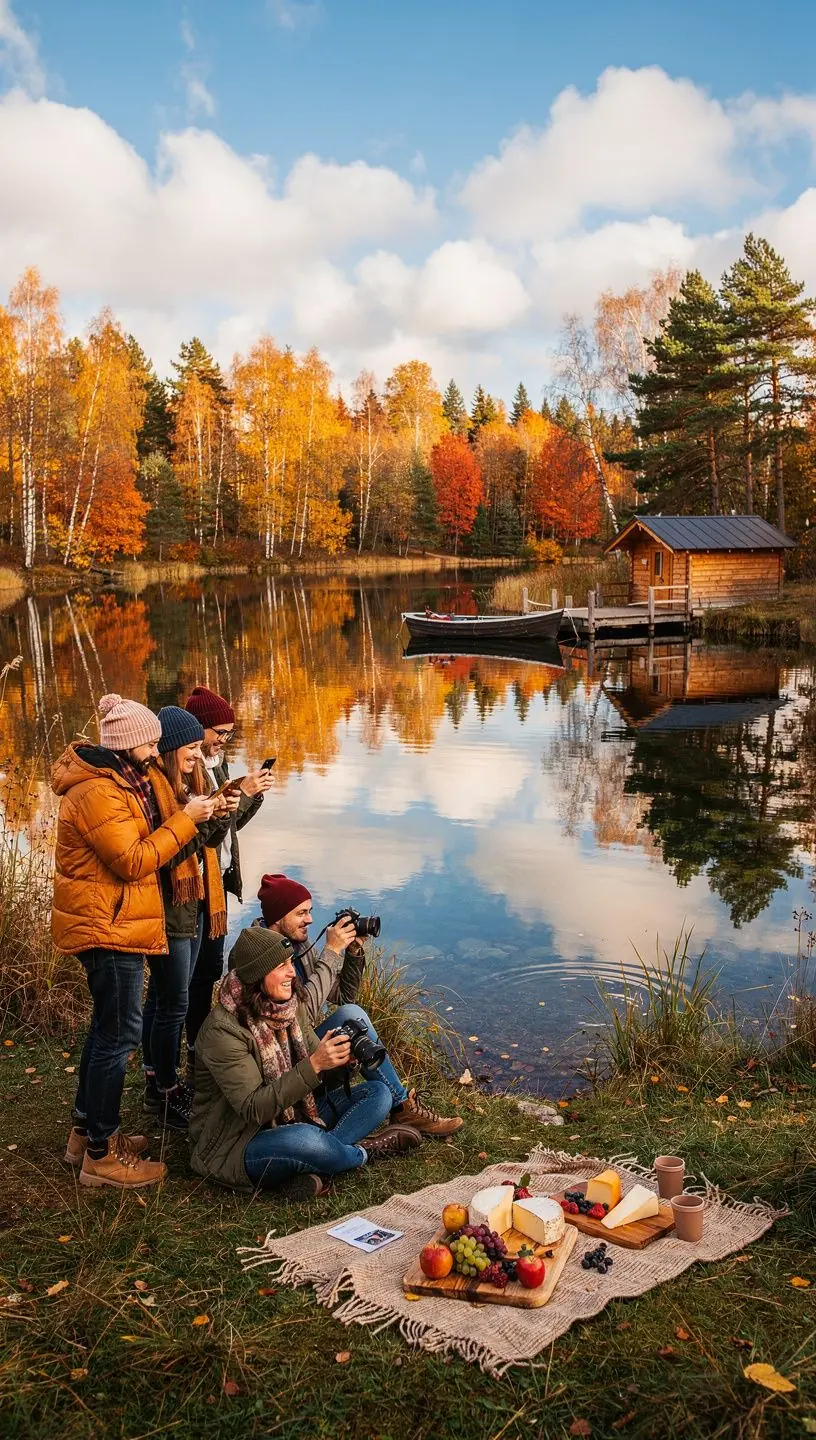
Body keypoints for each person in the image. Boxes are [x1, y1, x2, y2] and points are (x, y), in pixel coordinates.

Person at [51, 693, 216, 1190]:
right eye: (150, 741)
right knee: (118, 1036)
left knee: (106, 1031)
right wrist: (186, 820)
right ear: (129, 743)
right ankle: (101, 1156)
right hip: (108, 925)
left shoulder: (118, 780)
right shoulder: (99, 791)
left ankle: (85, 1135)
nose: (155, 749)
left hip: (114, 920)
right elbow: (133, 860)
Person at [189, 927, 422, 1197]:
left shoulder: (289, 1005)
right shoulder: (223, 1031)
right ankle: (360, 1152)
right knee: (305, 1139)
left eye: (291, 963)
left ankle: (311, 1162)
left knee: (379, 1094)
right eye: (281, 966)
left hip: (294, 1113)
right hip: (239, 1140)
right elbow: (254, 1109)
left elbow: (317, 1079)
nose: (292, 973)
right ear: (256, 976)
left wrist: (343, 1063)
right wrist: (314, 1065)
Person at [256, 874, 464, 1139]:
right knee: (351, 1015)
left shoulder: (298, 944)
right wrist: (331, 952)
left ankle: (398, 1106)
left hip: (302, 1042)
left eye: (310, 911)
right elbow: (299, 1014)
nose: (310, 920)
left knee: (352, 1019)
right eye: (301, 913)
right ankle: (400, 1109)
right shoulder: (258, 954)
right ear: (278, 916)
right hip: (281, 1058)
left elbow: (343, 996)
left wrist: (352, 953)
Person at [141, 706, 238, 1132]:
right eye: (192, 747)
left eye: (200, 747)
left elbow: (203, 847)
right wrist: (194, 821)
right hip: (169, 909)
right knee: (173, 1002)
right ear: (170, 748)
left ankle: (158, 1080)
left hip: (195, 901)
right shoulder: (154, 791)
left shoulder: (185, 786)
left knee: (167, 998)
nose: (199, 755)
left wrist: (222, 814)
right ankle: (163, 1090)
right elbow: (165, 856)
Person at [182, 686, 275, 1082]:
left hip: (215, 885)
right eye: (219, 732)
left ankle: (200, 1052)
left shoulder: (216, 763)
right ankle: (187, 1057)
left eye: (229, 733)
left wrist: (250, 796)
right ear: (199, 727)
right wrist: (242, 795)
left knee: (208, 972)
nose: (224, 739)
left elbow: (228, 827)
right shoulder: (186, 767)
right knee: (187, 981)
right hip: (193, 886)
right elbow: (205, 834)